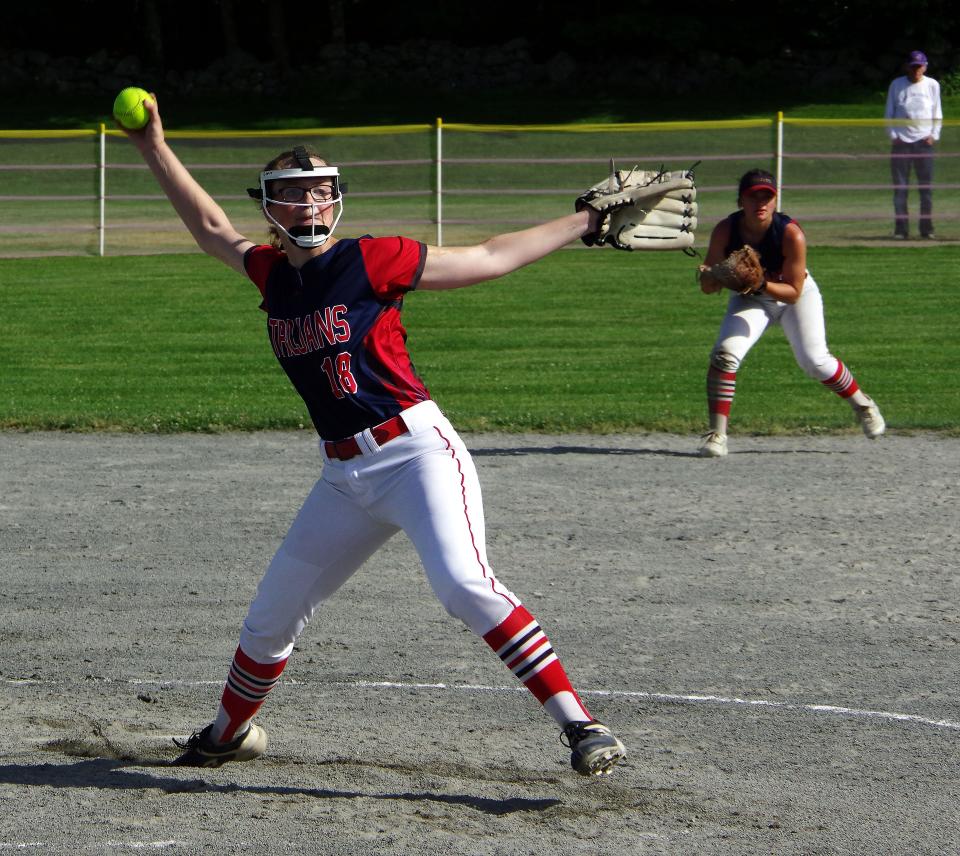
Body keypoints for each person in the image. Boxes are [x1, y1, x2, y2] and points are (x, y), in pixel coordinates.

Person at [120, 94, 626, 777]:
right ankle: (224, 735)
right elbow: (210, 225)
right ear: (271, 207)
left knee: (463, 586)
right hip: (342, 477)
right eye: (294, 196)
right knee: (271, 616)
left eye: (322, 193)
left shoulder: (371, 260)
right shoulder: (273, 276)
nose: (310, 207)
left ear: (337, 203)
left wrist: (585, 220)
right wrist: (153, 145)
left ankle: (580, 724)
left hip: (417, 454)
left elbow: (490, 255)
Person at [696, 169, 885, 458]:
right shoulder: (725, 230)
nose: (760, 202)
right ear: (740, 201)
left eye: (767, 196)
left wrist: (758, 282)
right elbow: (708, 288)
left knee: (815, 360)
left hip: (795, 297)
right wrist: (712, 276)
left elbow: (794, 291)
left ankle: (863, 405)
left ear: (775, 201)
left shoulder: (790, 233)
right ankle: (717, 434)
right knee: (725, 354)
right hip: (752, 300)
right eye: (753, 196)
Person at [884, 50, 943, 239]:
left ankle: (927, 229)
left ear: (925, 67)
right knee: (900, 189)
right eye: (913, 66)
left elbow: (937, 112)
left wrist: (934, 135)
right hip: (902, 143)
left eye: (920, 66)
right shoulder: (897, 85)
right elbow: (889, 113)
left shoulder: (932, 85)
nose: (916, 70)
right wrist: (894, 135)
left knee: (925, 190)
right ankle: (901, 230)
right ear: (907, 67)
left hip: (924, 143)